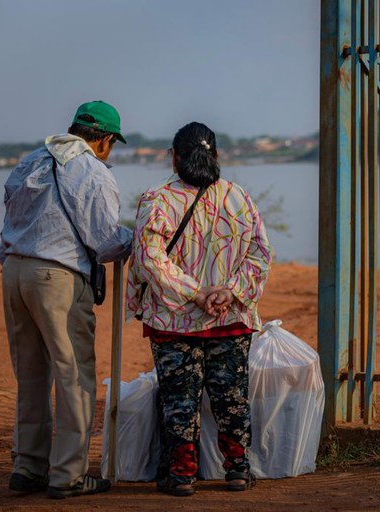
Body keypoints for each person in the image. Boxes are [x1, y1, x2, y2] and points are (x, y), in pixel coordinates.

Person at [126, 122, 273, 497]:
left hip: (173, 321)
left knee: (180, 399)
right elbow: (260, 255)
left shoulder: (156, 199)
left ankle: (182, 475)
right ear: (216, 156)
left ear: (174, 158)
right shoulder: (239, 198)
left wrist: (195, 294)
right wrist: (228, 292)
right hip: (229, 319)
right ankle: (238, 470)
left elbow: (149, 261)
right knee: (232, 396)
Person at [0, 100, 132, 499]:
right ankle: (68, 475)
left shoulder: (31, 160)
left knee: (31, 375)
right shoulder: (92, 171)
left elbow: (9, 208)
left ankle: (27, 467)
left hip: (14, 272)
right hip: (57, 277)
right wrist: (136, 239)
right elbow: (106, 240)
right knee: (73, 374)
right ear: (105, 140)